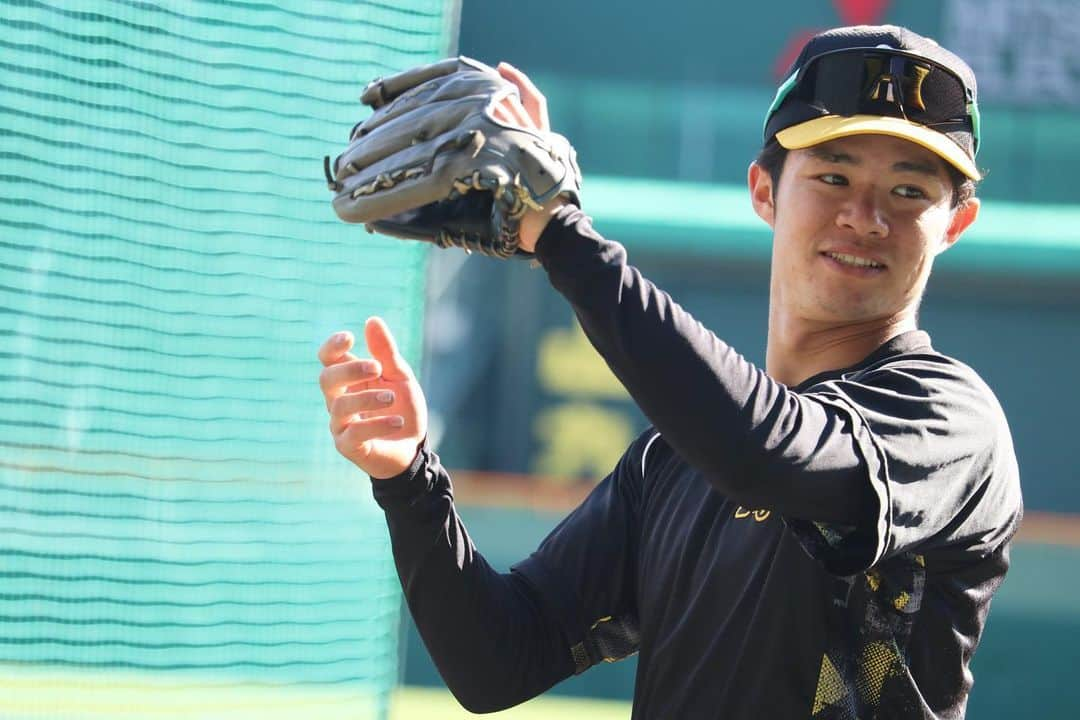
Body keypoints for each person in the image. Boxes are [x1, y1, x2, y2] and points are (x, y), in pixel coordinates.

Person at [317, 25, 1022, 719]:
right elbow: (496, 660)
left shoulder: (948, 418)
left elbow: (766, 452)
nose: (866, 216)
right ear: (764, 192)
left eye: (908, 192)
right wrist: (410, 480)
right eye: (833, 176)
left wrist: (559, 231)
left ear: (955, 224)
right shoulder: (672, 464)